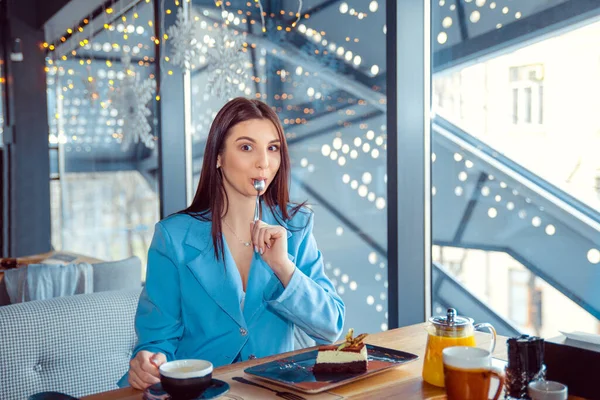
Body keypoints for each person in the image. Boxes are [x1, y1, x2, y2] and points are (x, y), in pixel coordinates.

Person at [119, 97, 345, 389]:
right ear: (218, 157)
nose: (263, 162)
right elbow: (156, 340)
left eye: (272, 148)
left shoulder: (296, 227)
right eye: (246, 147)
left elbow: (330, 328)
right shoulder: (173, 237)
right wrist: (149, 362)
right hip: (199, 392)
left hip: (273, 390)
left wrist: (283, 267)